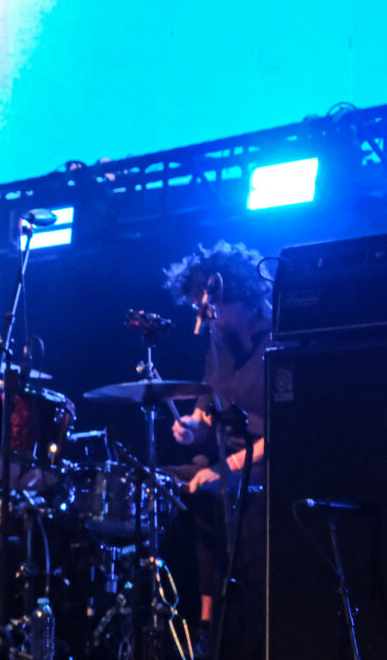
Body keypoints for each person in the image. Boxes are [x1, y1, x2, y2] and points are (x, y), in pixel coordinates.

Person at [165, 239, 272, 659]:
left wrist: (226, 467)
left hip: (267, 466)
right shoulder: (219, 348)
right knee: (162, 484)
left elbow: (286, 431)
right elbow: (206, 414)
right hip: (226, 466)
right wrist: (192, 428)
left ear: (235, 296)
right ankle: (206, 626)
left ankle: (241, 631)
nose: (202, 317)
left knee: (214, 491)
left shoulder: (276, 339)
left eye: (207, 307)